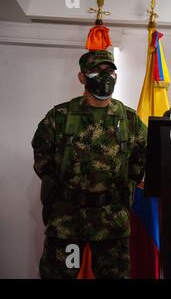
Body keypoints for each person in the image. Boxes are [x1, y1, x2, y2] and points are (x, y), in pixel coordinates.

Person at [32, 50, 147, 278]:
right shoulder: (60, 117)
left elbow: (138, 165)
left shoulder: (130, 120)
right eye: (96, 71)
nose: (104, 76)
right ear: (82, 77)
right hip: (68, 223)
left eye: (110, 71)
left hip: (111, 223)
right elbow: (43, 162)